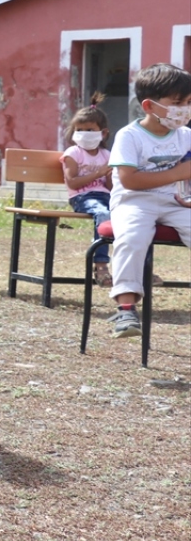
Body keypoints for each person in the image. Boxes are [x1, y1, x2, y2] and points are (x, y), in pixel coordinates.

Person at [104, 64, 191, 338]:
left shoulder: (186, 136)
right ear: (149, 105)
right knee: (131, 237)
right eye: (177, 103)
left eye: (188, 102)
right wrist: (178, 172)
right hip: (134, 202)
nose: (185, 109)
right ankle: (126, 308)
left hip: (175, 203)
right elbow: (129, 180)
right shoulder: (129, 136)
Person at [60, 98, 114, 287]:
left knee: (134, 216)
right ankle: (101, 265)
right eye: (79, 129)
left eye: (89, 130)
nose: (84, 134)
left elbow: (110, 187)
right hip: (82, 198)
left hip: (106, 197)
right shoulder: (72, 154)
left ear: (103, 133)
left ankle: (139, 268)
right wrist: (98, 173)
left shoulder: (107, 155)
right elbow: (73, 183)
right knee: (103, 214)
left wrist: (111, 175)